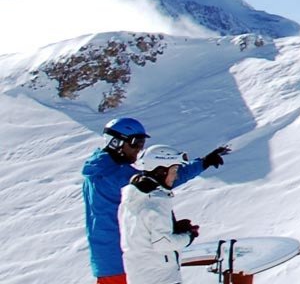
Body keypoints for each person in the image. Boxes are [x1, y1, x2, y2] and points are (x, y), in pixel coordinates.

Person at [81, 118, 228, 284]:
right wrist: (202, 164)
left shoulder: (98, 169)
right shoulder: (114, 175)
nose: (138, 150)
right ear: (115, 142)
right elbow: (161, 179)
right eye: (135, 143)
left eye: (142, 144)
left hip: (109, 257)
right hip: (122, 259)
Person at [119, 145, 201, 284]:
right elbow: (163, 243)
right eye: (174, 170)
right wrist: (188, 236)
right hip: (160, 277)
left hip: (141, 274)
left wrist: (173, 228)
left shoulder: (134, 198)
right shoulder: (155, 202)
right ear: (161, 171)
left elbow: (145, 233)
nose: (176, 175)